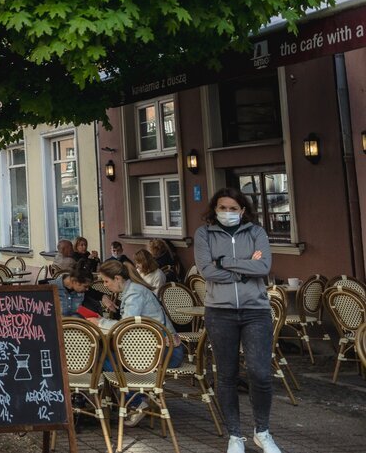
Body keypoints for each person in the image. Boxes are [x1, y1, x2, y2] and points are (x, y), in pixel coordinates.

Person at [194, 188, 281, 453]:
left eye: (233, 209)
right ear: (214, 209)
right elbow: (206, 270)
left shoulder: (256, 233)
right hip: (219, 312)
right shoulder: (204, 234)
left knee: (260, 373)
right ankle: (235, 435)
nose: (228, 213)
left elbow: (263, 267)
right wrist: (243, 270)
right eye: (223, 208)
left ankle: (262, 431)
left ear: (243, 211)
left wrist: (225, 262)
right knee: (227, 375)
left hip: (256, 310)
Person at [92, 260, 184, 428]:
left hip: (167, 353)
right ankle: (135, 397)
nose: (105, 286)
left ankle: (136, 402)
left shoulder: (134, 293)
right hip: (163, 349)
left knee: (105, 357)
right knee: (111, 354)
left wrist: (99, 322)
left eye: (106, 281)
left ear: (118, 278)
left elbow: (126, 327)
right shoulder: (132, 290)